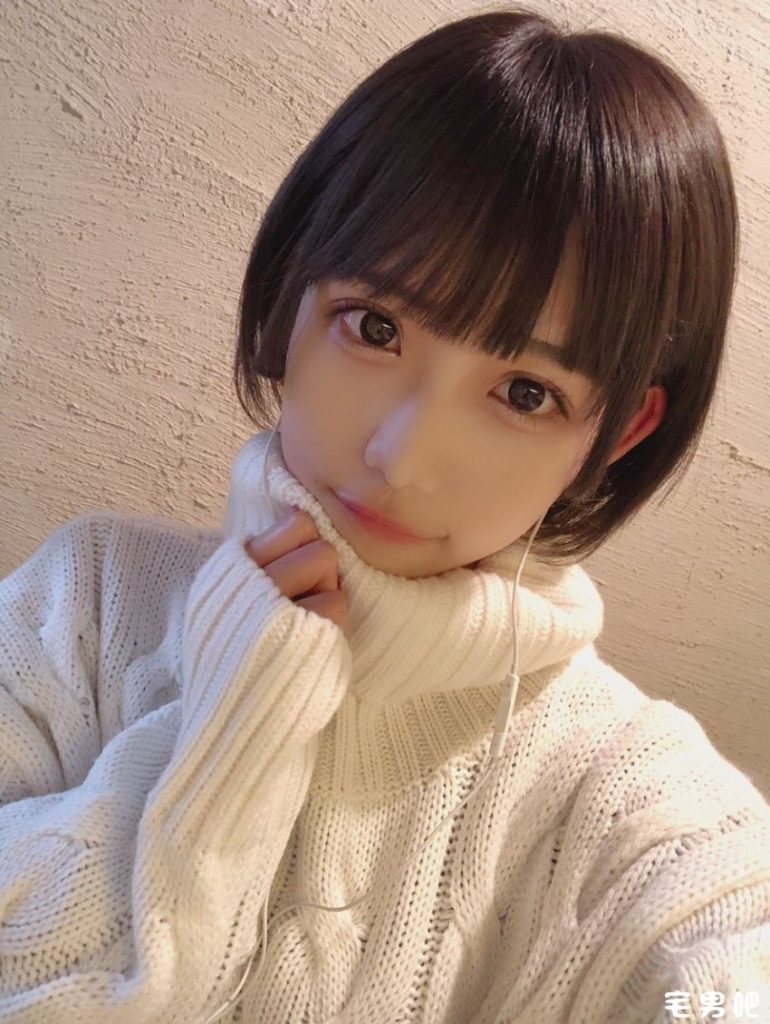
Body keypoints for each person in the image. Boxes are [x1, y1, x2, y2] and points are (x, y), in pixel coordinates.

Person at [1, 7, 768, 1023]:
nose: (401, 458)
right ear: (292, 293)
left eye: (525, 392)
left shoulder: (644, 804)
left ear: (619, 433)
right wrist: (222, 736)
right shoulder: (85, 603)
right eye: (373, 327)